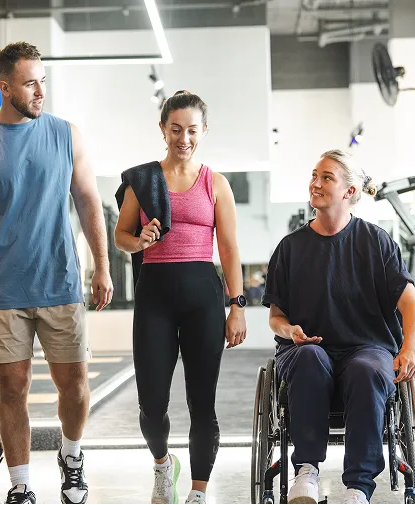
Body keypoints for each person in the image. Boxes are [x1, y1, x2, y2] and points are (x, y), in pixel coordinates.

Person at [0, 41, 114, 505]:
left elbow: (89, 201)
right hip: (3, 288)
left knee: (74, 385)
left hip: (60, 281)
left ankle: (71, 458)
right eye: (30, 82)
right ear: (5, 86)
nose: (40, 91)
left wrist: (102, 267)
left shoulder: (66, 134)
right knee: (12, 388)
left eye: (43, 82)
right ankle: (20, 485)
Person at [261, 149, 415, 505]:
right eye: (314, 175)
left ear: (350, 192)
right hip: (305, 349)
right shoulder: (290, 248)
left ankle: (358, 488)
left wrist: (408, 349)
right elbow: (276, 317)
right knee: (309, 358)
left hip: (366, 348)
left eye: (327, 178)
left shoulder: (376, 242)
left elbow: (412, 305)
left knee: (368, 369)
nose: (315, 183)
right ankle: (305, 471)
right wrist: (290, 331)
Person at [114, 91, 247, 505]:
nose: (183, 138)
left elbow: (229, 249)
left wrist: (236, 306)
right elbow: (120, 236)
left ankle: (198, 491)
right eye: (175, 129)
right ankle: (162, 465)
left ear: (203, 131)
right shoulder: (144, 180)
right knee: (152, 403)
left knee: (201, 401)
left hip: (203, 299)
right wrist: (139, 240)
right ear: (163, 129)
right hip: (154, 295)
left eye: (192, 130)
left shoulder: (216, 183)